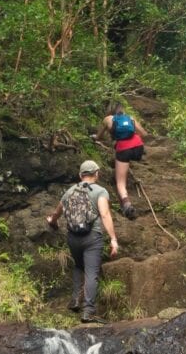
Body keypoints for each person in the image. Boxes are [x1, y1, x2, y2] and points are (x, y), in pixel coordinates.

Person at [46, 159, 120, 323]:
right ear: (97, 174)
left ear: (80, 175)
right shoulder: (100, 191)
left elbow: (57, 213)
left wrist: (52, 221)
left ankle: (74, 300)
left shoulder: (69, 192)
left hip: (73, 238)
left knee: (79, 266)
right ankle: (88, 311)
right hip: (92, 237)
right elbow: (105, 214)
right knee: (91, 273)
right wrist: (113, 239)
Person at [102, 107, 146, 218]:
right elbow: (144, 133)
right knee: (130, 156)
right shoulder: (130, 118)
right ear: (123, 112)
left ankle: (127, 205)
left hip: (123, 149)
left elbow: (100, 135)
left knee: (120, 182)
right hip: (138, 148)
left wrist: (96, 138)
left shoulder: (108, 119)